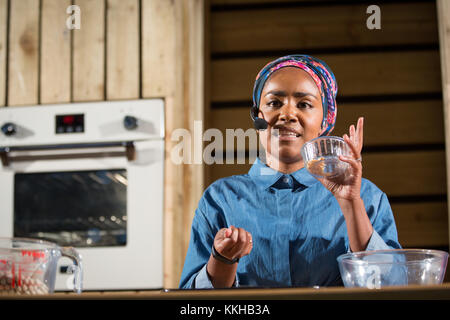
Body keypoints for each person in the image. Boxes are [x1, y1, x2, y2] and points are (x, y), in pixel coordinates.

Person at [179, 54, 401, 289]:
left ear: (325, 120)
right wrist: (222, 260)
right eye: (274, 103)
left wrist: (351, 204)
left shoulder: (367, 197)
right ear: (257, 117)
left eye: (304, 104)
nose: (287, 114)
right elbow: (193, 304)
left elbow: (393, 288)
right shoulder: (219, 200)